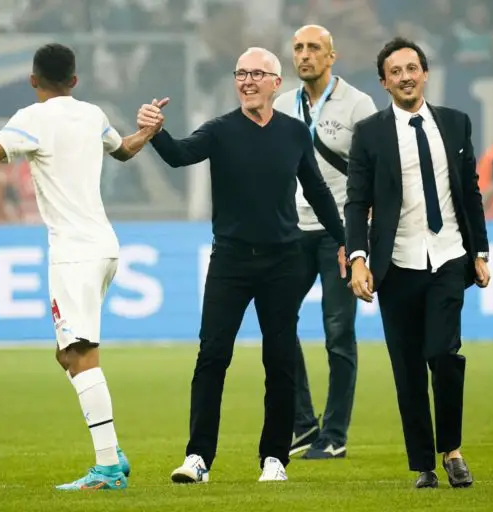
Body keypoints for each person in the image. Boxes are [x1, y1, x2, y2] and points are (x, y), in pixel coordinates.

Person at [0, 43, 162, 491]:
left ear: (33, 80)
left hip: (74, 253)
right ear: (74, 80)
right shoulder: (92, 114)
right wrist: (147, 131)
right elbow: (123, 150)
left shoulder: (32, 118)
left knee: (81, 355)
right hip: (104, 247)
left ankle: (108, 467)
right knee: (67, 354)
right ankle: (112, 451)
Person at [136, 47, 347, 483]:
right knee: (212, 357)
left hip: (283, 262)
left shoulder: (294, 133)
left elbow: (318, 191)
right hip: (230, 261)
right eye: (241, 74)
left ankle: (274, 459)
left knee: (280, 362)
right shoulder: (220, 130)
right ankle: (198, 458)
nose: (247, 81)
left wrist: (346, 242)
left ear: (276, 83)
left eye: (256, 74)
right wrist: (156, 132)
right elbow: (179, 154)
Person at [345, 37, 491, 489]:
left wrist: (480, 252)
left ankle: (452, 451)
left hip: (448, 257)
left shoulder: (456, 123)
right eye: (396, 71)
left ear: (425, 73)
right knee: (407, 369)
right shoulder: (369, 133)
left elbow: (470, 192)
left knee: (442, 354)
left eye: (412, 68)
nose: (405, 77)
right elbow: (356, 202)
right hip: (396, 265)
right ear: (384, 83)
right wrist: (358, 259)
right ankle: (423, 464)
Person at [273, 24, 377, 460]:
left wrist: (357, 239)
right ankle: (302, 425)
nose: (305, 55)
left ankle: (334, 435)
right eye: (298, 48)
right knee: (277, 324)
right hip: (292, 231)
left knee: (338, 333)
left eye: (314, 48)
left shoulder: (358, 104)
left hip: (338, 235)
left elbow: (372, 172)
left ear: (331, 56)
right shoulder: (282, 104)